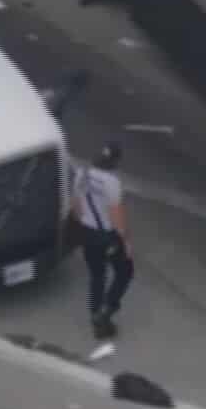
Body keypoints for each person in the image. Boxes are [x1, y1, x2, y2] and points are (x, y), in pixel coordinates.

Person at [71, 140, 135, 341]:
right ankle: (108, 309)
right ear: (115, 162)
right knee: (125, 271)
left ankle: (95, 314)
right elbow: (116, 215)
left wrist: (83, 226)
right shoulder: (112, 183)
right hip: (106, 236)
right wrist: (125, 240)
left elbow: (76, 205)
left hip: (87, 233)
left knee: (97, 275)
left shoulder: (82, 174)